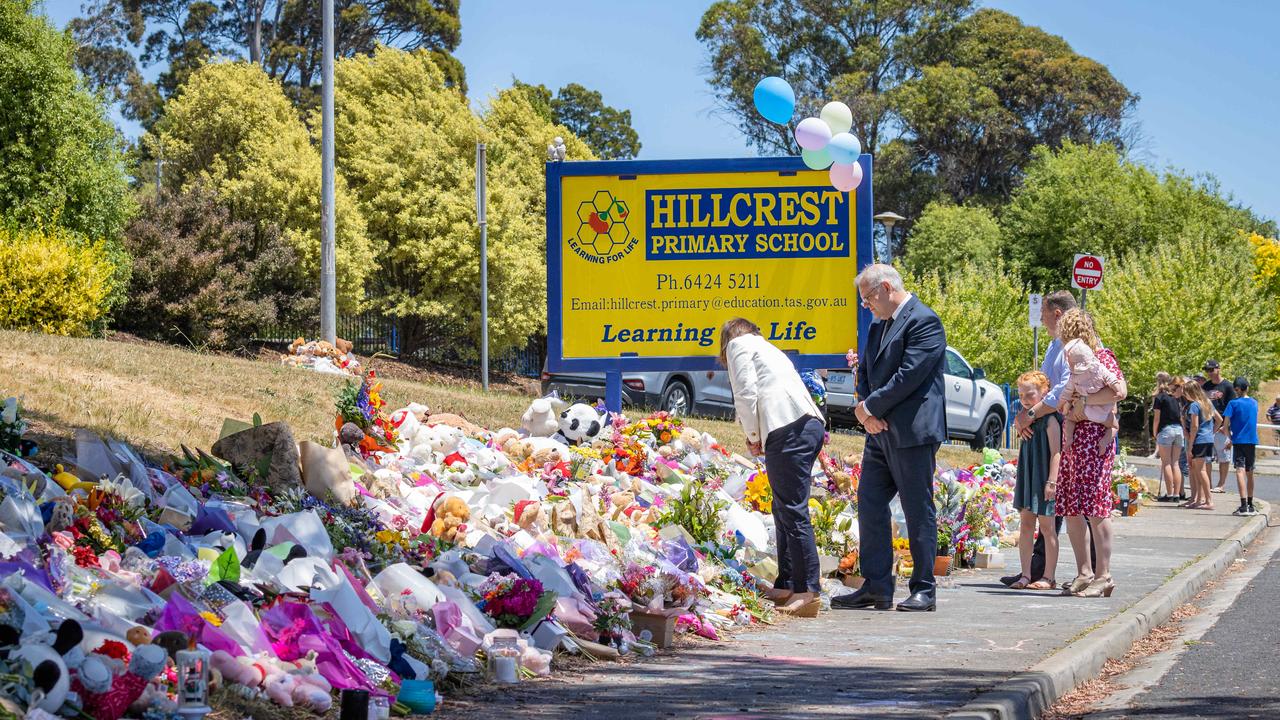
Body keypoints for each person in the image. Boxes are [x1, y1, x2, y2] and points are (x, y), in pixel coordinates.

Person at [833, 264, 946, 613]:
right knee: (869, 504)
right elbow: (866, 370)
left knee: (917, 509)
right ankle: (877, 586)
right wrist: (866, 410)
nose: (866, 305)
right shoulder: (878, 325)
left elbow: (910, 375)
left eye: (868, 298)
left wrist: (870, 409)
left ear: (885, 287)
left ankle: (924, 588)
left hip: (911, 432)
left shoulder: (924, 321)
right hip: (878, 432)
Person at [720, 318, 827, 616]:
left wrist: (753, 436)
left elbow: (746, 393)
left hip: (787, 427)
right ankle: (788, 581)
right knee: (783, 507)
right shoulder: (768, 347)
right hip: (805, 424)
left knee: (792, 509)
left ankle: (808, 590)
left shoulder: (738, 345)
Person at [1008, 291, 1111, 587]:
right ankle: (1037, 569)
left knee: (1084, 505)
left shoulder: (1081, 350)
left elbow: (1064, 389)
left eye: (1043, 315)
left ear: (1056, 314)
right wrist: (1025, 414)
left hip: (1079, 430)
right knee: (1055, 509)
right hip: (1056, 425)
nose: (1041, 319)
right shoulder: (1055, 346)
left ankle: (1092, 572)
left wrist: (1035, 412)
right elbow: (1044, 385)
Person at [1055, 309, 1126, 598]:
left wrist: (1083, 401)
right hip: (1074, 442)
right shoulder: (1075, 361)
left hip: (1094, 439)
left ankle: (1104, 575)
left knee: (1097, 506)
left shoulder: (1102, 358)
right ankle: (1084, 572)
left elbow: (1118, 391)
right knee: (1073, 507)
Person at [1009, 371, 1060, 590]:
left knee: (1048, 528)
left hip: (1043, 476)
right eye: (1021, 395)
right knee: (1026, 525)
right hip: (1028, 475)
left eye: (1030, 394)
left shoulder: (1050, 420)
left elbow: (1056, 452)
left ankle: (1049, 576)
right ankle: (1026, 574)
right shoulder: (1025, 422)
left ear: (1044, 392)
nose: (1025, 400)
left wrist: (1052, 480)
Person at [1058, 335, 1122, 456]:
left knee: (1069, 419)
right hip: (1103, 412)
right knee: (1115, 426)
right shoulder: (1100, 368)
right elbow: (1112, 379)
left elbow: (1066, 393)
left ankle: (1069, 438)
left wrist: (1062, 405)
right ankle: (1104, 442)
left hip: (1084, 411)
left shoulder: (1074, 376)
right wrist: (1117, 389)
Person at [1222, 377, 1259, 517]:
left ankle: (1243, 506)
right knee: (1250, 472)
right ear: (1247, 387)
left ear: (1236, 389)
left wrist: (1230, 438)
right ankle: (1250, 504)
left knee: (1239, 471)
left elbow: (1225, 426)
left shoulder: (1232, 403)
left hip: (1238, 441)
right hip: (1251, 440)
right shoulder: (1254, 403)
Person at [1181, 381, 1220, 510]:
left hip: (1198, 440)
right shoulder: (1207, 403)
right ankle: (1198, 500)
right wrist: (1211, 432)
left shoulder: (1194, 405)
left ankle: (1209, 500)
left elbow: (1194, 426)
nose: (1184, 395)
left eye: (1185, 392)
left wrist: (1191, 445)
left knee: (1201, 471)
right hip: (1208, 439)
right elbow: (1219, 420)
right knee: (1199, 470)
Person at [1201, 361, 1235, 492]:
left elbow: (1232, 407)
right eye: (1207, 370)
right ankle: (1207, 483)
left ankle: (1221, 484)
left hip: (1222, 426)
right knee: (1207, 458)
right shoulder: (1206, 386)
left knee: (1223, 457)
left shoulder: (1228, 386)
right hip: (1208, 424)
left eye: (1211, 369)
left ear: (1218, 369)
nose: (1209, 372)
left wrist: (1226, 425)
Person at [1151, 376, 1186, 502]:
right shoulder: (1177, 398)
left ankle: (1170, 494)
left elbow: (1156, 418)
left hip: (1166, 430)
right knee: (1175, 463)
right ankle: (1177, 494)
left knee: (1166, 463)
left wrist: (1155, 432)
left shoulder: (1160, 398)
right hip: (1178, 430)